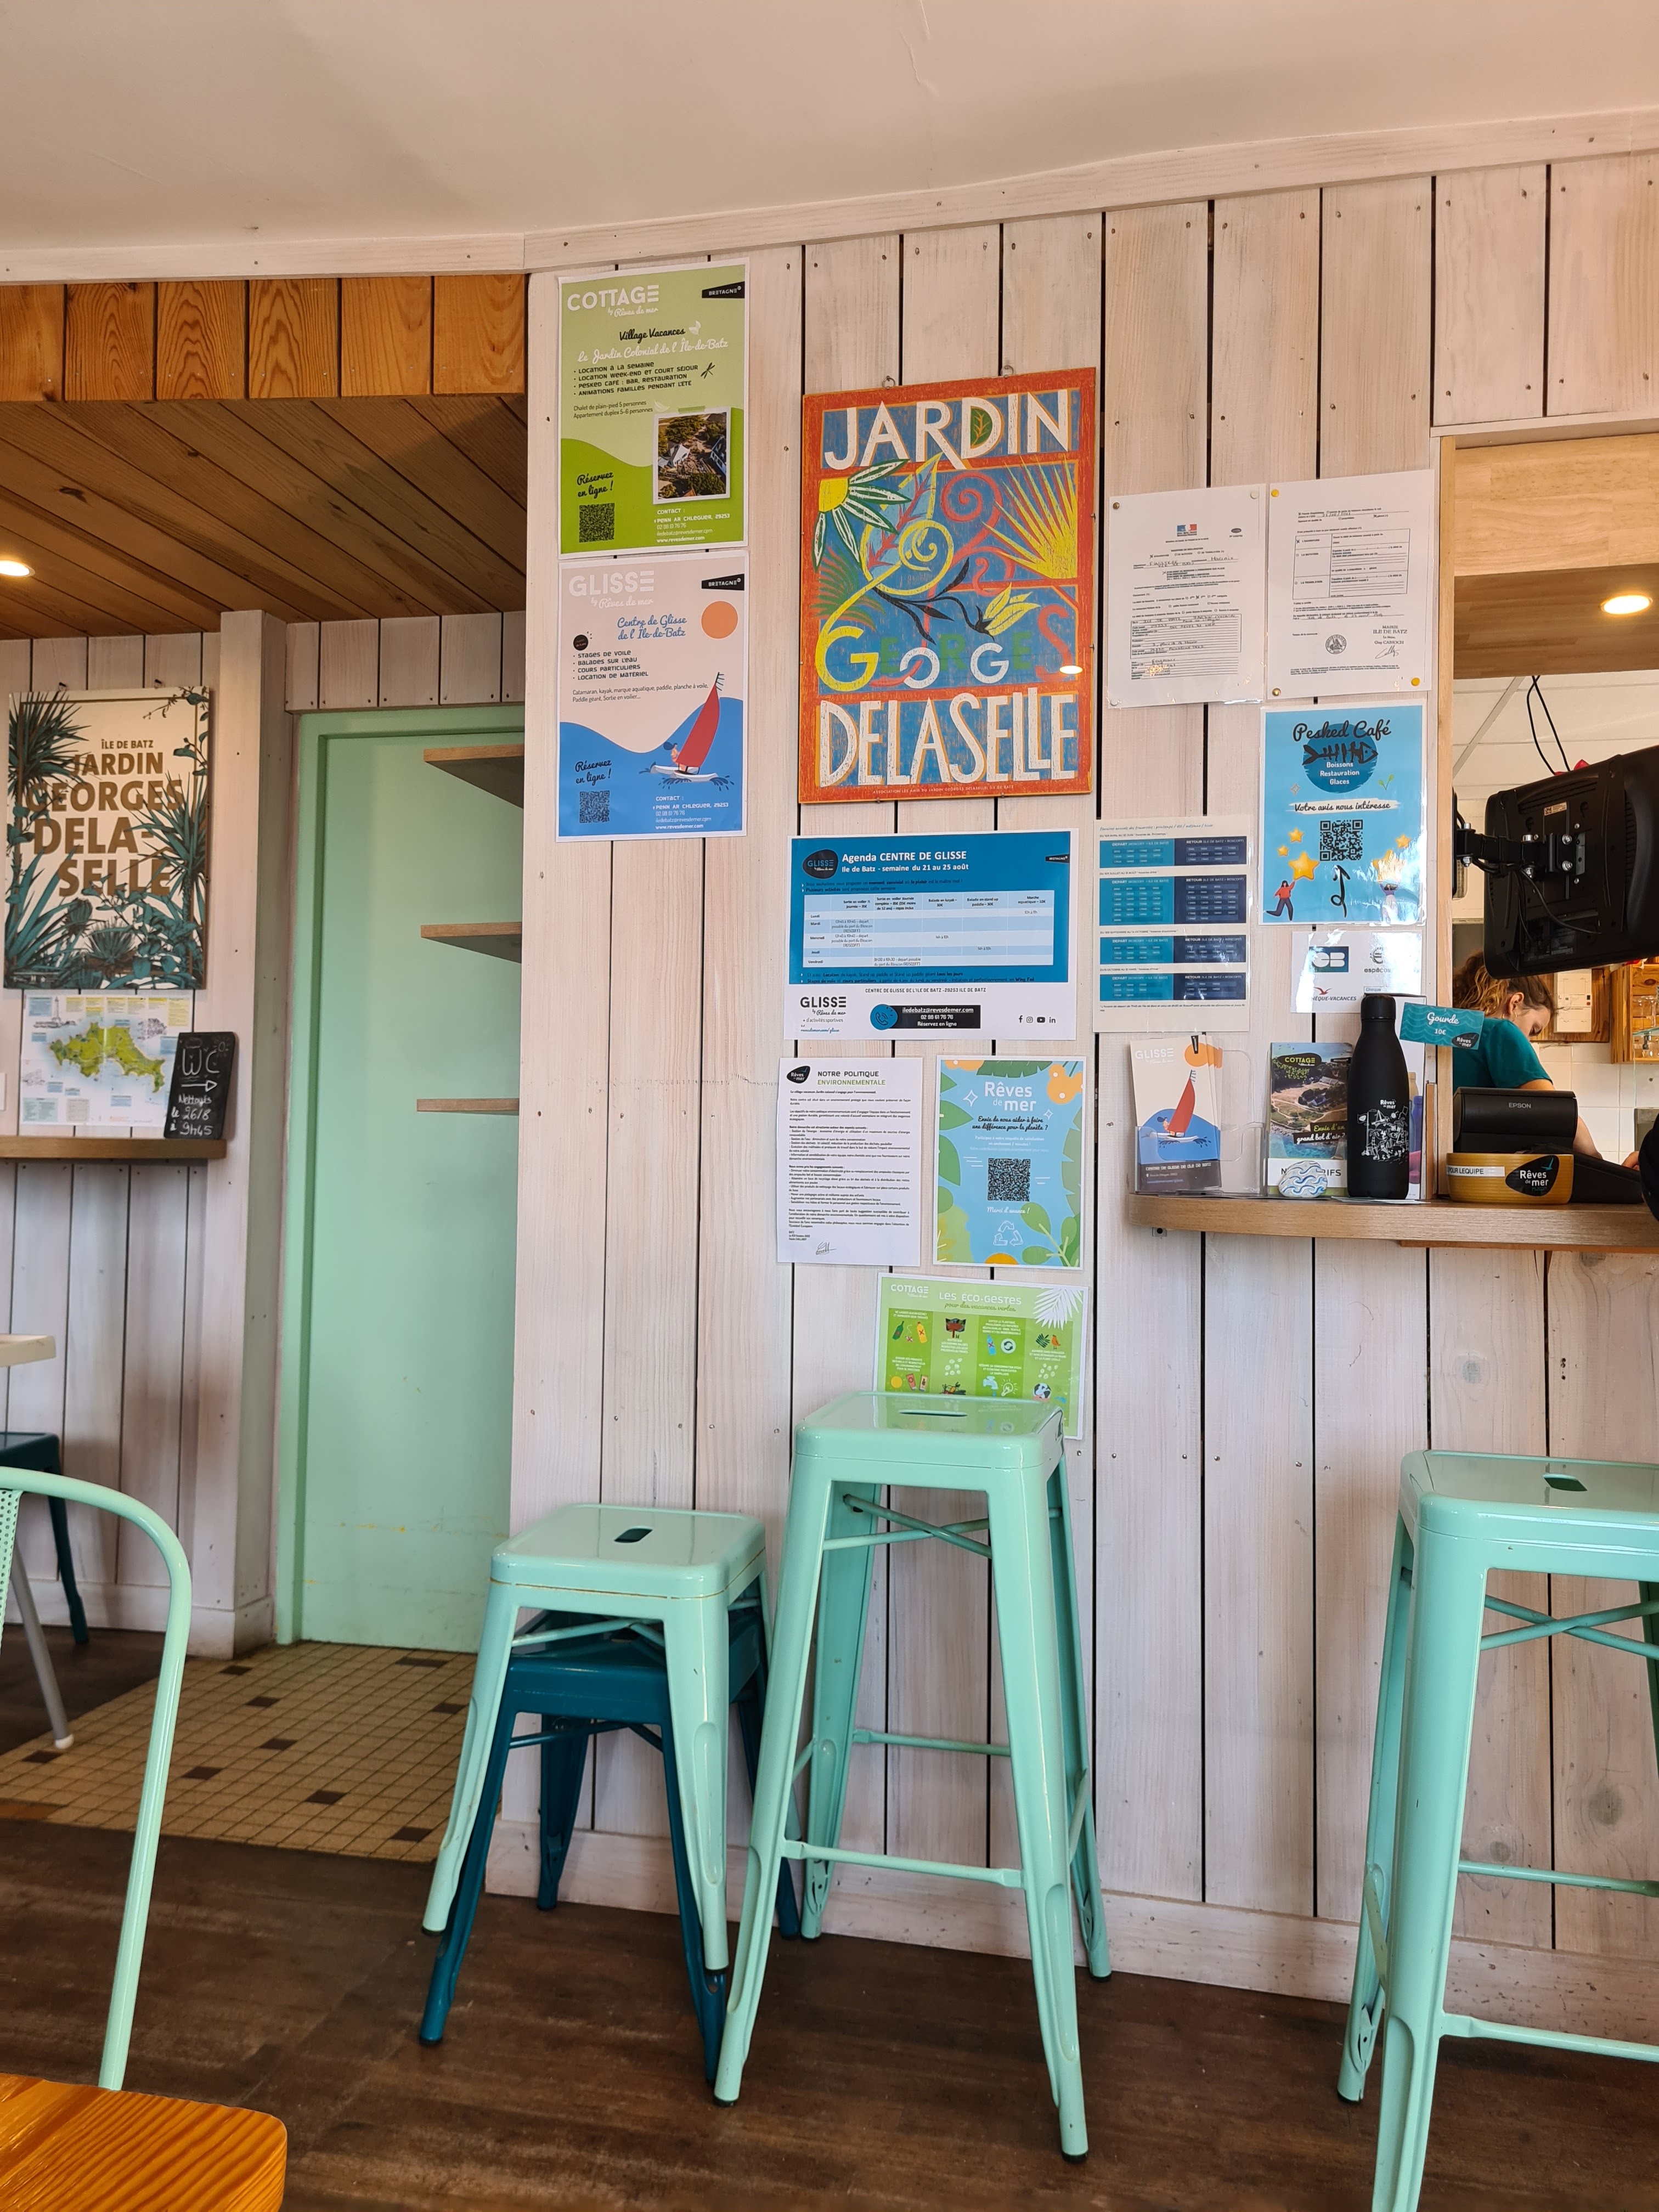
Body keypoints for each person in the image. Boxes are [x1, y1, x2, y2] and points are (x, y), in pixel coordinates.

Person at [1451, 952, 1614, 1159]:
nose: (1527, 1042)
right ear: (1515, 1003)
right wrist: (1597, 1161)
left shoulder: (1447, 1032)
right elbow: (1557, 1113)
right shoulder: (1500, 1031)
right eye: (1533, 1030)